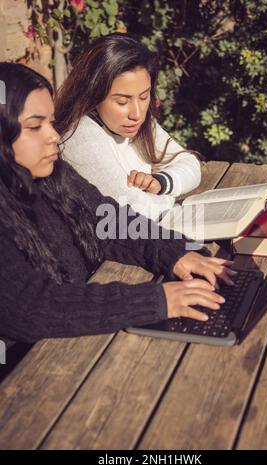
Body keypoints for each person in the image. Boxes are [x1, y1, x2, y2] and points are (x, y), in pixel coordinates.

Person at [0, 62, 236, 345]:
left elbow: (107, 219)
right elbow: (31, 309)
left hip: (79, 338)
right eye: (35, 126)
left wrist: (173, 252)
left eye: (50, 122)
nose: (54, 135)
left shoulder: (51, 175)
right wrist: (155, 300)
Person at [55, 33, 201, 221]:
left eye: (144, 96)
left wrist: (159, 182)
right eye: (122, 101)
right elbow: (136, 211)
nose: (137, 113)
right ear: (92, 94)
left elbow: (191, 165)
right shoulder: (79, 137)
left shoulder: (136, 124)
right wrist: (168, 199)